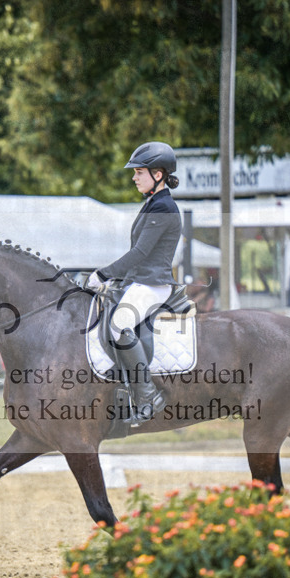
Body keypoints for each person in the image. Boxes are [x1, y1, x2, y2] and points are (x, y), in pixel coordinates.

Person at [87, 141, 181, 424]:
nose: (134, 177)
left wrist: (104, 274)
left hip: (153, 284)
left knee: (119, 325)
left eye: (139, 172)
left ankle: (149, 396)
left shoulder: (163, 207)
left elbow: (140, 253)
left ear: (159, 174)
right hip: (140, 282)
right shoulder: (153, 204)